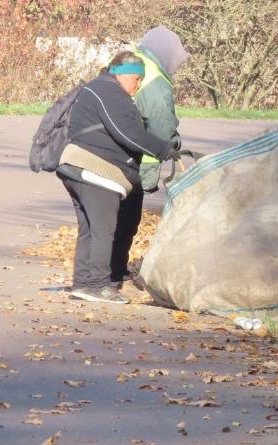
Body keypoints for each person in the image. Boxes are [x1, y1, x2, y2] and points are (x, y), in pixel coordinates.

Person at [57, 51, 175, 304]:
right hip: (97, 171)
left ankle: (83, 283)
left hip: (76, 167)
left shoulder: (96, 88)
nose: (139, 85)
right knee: (103, 230)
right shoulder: (111, 93)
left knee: (89, 229)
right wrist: (163, 148)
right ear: (122, 75)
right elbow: (128, 133)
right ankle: (99, 285)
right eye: (136, 79)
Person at [110, 25, 189, 286]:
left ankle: (112, 267)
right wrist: (174, 144)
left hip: (113, 149)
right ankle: (114, 270)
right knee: (128, 215)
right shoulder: (155, 80)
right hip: (134, 159)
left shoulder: (134, 60)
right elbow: (161, 127)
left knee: (113, 213)